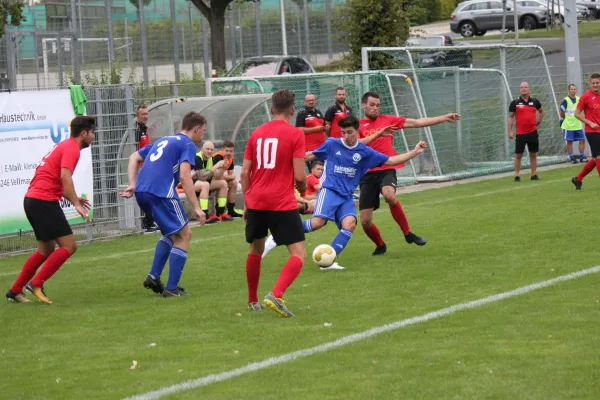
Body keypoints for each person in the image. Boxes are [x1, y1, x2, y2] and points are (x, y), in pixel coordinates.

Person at [262, 116, 428, 270]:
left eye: (349, 132)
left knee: (349, 224)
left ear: (357, 132)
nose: (346, 136)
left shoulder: (364, 152)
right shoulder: (332, 144)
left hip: (346, 196)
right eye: (343, 132)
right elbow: (309, 155)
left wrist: (415, 152)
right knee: (317, 223)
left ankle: (329, 259)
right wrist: (285, 160)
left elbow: (391, 160)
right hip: (330, 190)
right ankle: (277, 236)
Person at [6, 116, 95, 304]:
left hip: (32, 200)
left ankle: (15, 290)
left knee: (46, 249)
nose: (93, 137)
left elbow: (51, 178)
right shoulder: (72, 148)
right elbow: (65, 176)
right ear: (84, 133)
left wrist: (73, 197)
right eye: (92, 133)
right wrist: (76, 205)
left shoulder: (63, 145)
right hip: (43, 201)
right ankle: (36, 283)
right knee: (69, 246)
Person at [358, 91, 460, 256]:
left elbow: (418, 122)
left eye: (378, 105)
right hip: (368, 173)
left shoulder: (388, 120)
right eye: (372, 105)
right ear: (363, 105)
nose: (375, 108)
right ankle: (380, 245)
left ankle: (408, 234)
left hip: (387, 168)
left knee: (389, 195)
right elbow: (355, 144)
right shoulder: (357, 125)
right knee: (365, 221)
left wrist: (443, 117)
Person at [120, 112, 207, 297]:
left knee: (171, 233)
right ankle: (172, 288)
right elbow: (185, 176)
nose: (203, 135)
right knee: (184, 234)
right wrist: (197, 208)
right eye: (203, 131)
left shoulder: (164, 140)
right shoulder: (187, 144)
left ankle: (153, 276)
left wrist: (133, 184)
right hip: (161, 193)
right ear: (197, 129)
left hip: (143, 192)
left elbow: (134, 157)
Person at [242, 89, 307, 318]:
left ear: (271, 109)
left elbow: (245, 172)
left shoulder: (256, 133)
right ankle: (276, 294)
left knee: (256, 249)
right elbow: (299, 176)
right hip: (280, 201)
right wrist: (304, 189)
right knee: (298, 253)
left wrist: (248, 201)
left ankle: (252, 300)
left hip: (256, 200)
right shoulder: (295, 134)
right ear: (292, 110)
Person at [508, 81, 545, 182]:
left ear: (529, 89)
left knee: (533, 154)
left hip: (532, 132)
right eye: (521, 87)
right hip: (520, 133)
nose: (523, 89)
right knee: (518, 154)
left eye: (525, 87)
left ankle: (533, 174)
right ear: (520, 90)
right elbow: (511, 117)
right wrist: (510, 131)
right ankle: (517, 175)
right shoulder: (515, 103)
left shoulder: (535, 101)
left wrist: (537, 122)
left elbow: (542, 111)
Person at [571, 73, 600, 190]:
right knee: (599, 157)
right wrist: (589, 123)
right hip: (592, 131)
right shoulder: (586, 96)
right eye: (593, 83)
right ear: (590, 84)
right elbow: (576, 114)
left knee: (594, 159)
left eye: (597, 83)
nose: (595, 85)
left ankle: (577, 179)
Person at [193, 141, 232, 223]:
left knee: (223, 183)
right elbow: (202, 177)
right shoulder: (197, 158)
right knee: (205, 184)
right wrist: (216, 166)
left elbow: (217, 176)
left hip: (204, 183)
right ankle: (205, 215)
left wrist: (223, 168)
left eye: (211, 149)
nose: (210, 151)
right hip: (190, 185)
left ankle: (220, 213)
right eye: (208, 149)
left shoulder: (211, 159)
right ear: (202, 149)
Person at [134, 105, 158, 233]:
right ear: (138, 115)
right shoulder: (135, 130)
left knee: (150, 192)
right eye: (143, 114)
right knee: (145, 193)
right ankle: (146, 222)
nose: (146, 116)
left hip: (146, 167)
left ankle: (150, 221)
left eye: (147, 114)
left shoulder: (144, 129)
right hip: (139, 168)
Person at [212, 140, 244, 218]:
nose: (229, 153)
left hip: (218, 179)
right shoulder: (217, 157)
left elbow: (232, 175)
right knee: (223, 183)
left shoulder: (230, 159)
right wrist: (225, 177)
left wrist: (225, 177)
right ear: (222, 150)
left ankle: (230, 210)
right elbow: (215, 175)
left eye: (231, 151)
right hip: (208, 180)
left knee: (234, 183)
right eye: (227, 151)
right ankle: (219, 211)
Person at [296, 94, 326, 169]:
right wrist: (315, 129)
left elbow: (324, 126)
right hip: (310, 149)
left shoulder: (318, 112)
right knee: (315, 171)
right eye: (309, 100)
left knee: (323, 170)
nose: (311, 102)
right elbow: (299, 129)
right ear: (305, 102)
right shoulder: (302, 114)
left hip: (321, 147)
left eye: (312, 100)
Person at [560, 84, 586, 164]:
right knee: (569, 141)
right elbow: (561, 112)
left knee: (582, 140)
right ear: (569, 90)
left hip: (577, 124)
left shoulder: (579, 99)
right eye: (572, 89)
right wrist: (566, 118)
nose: (573, 90)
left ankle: (582, 157)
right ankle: (572, 158)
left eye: (574, 89)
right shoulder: (566, 100)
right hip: (569, 125)